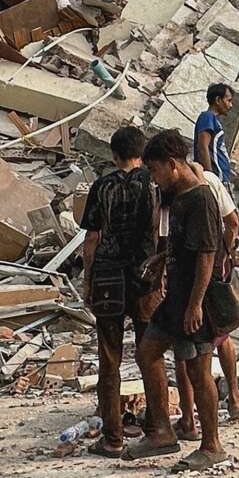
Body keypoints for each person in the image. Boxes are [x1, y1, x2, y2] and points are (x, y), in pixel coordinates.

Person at [124, 130, 227, 468]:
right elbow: (182, 244)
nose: (154, 179)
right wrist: (162, 258)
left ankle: (211, 445)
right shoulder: (179, 196)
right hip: (176, 297)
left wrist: (196, 304)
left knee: (199, 371)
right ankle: (162, 432)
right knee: (147, 353)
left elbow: (207, 256)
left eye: (155, 171)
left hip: (195, 300)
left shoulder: (201, 198)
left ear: (172, 164)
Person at [78, 126, 158, 458]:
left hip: (108, 277)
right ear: (143, 153)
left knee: (109, 358)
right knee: (150, 354)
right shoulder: (153, 183)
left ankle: (113, 438)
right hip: (144, 277)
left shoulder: (102, 186)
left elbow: (91, 238)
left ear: (114, 155)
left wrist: (88, 280)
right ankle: (156, 428)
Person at [175, 160, 239, 428]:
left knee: (186, 348)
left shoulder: (178, 192)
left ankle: (190, 418)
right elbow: (233, 222)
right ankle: (234, 398)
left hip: (191, 276)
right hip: (216, 270)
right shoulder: (212, 182)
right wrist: (224, 255)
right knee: (221, 333)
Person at [194, 83, 234, 188]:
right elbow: (202, 147)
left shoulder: (214, 120)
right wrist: (210, 178)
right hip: (216, 180)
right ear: (218, 100)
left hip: (221, 179)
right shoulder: (207, 117)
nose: (230, 105)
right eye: (228, 101)